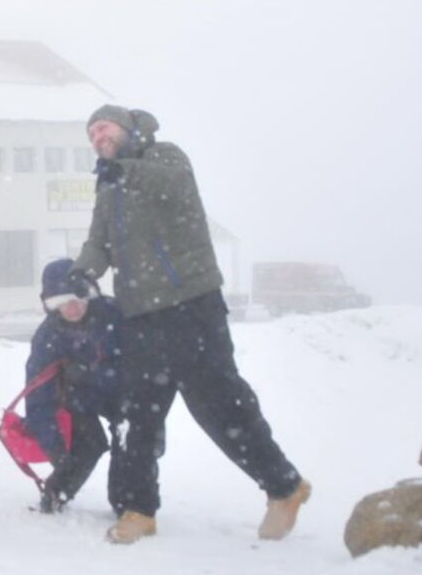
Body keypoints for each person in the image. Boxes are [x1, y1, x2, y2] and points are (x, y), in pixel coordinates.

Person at [66, 105, 311, 544]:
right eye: (92, 135)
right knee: (136, 414)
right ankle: (139, 510)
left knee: (219, 404)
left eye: (103, 128)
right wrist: (83, 270)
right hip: (139, 313)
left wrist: (124, 170)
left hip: (190, 303)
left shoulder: (164, 156)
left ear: (126, 128)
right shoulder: (109, 185)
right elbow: (98, 241)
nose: (98, 138)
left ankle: (284, 486)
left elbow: (174, 187)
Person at [25, 258, 125, 516]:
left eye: (78, 298)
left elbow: (143, 359)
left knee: (130, 436)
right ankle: (56, 493)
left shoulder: (115, 315)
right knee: (87, 444)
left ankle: (128, 503)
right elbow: (37, 396)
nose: (72, 308)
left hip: (122, 392)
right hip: (77, 399)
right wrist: (54, 445)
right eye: (62, 301)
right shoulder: (47, 337)